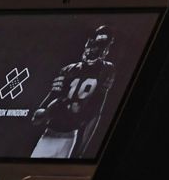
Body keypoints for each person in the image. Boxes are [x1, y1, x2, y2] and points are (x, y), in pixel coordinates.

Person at [30, 25, 116, 159]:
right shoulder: (69, 70)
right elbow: (47, 105)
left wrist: (81, 148)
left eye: (99, 46)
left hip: (70, 136)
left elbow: (95, 112)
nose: (93, 49)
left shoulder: (106, 70)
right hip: (51, 133)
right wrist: (43, 111)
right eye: (92, 44)